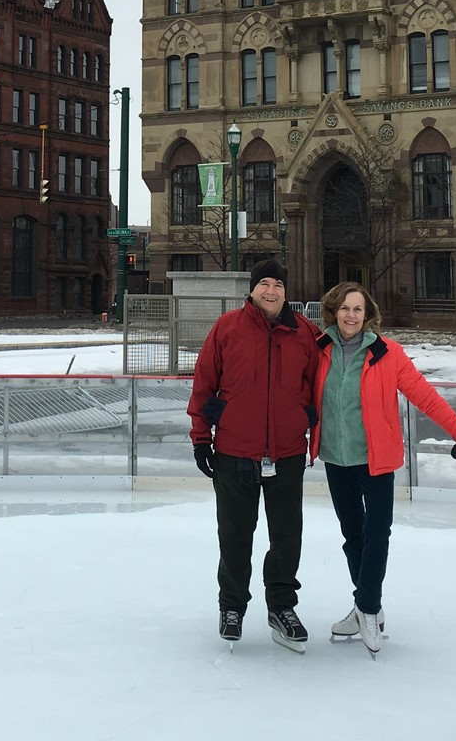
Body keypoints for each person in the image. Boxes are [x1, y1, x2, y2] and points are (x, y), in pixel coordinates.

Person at [311, 281, 456, 657]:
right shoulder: (319, 351)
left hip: (376, 459)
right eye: (344, 308)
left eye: (357, 309)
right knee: (352, 536)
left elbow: (426, 398)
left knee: (377, 534)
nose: (350, 315)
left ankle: (369, 610)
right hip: (336, 457)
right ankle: (365, 604)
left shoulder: (388, 354)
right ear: (333, 312)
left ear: (368, 314)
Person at [187, 257, 320, 652]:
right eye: (264, 283)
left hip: (288, 453)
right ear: (252, 289)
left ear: (286, 291)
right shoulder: (227, 328)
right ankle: (232, 607)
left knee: (286, 538)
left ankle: (281, 606)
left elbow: (317, 390)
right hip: (233, 451)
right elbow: (204, 385)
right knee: (234, 536)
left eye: (278, 285)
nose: (271, 291)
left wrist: (310, 428)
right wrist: (200, 438)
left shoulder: (305, 334)